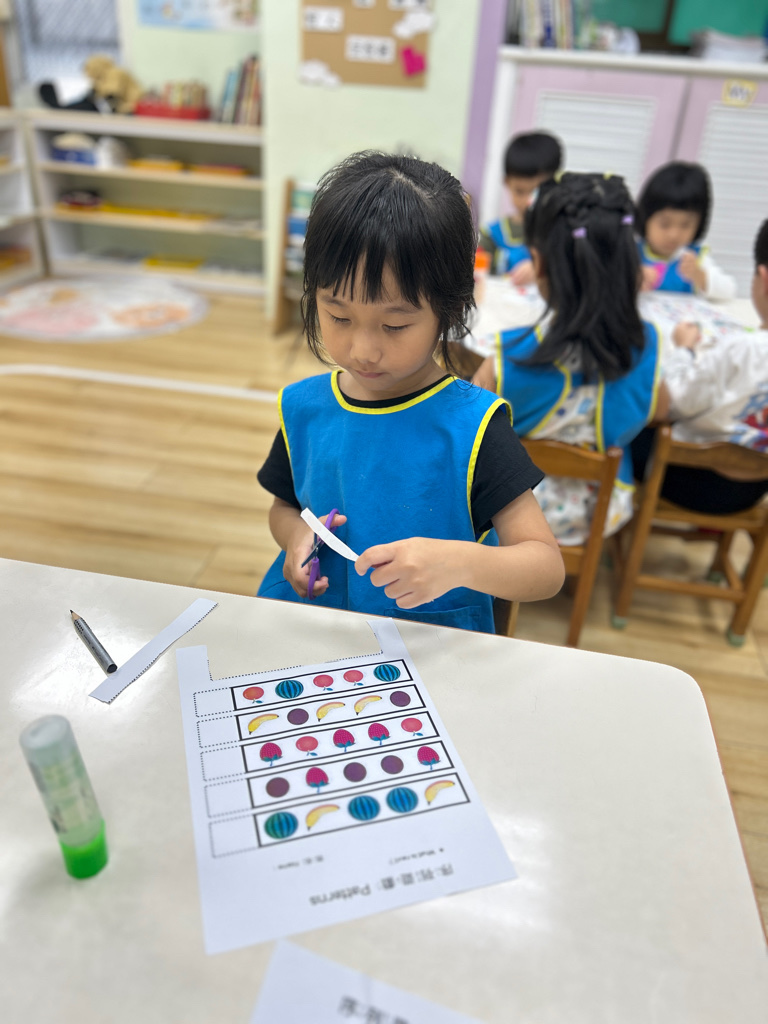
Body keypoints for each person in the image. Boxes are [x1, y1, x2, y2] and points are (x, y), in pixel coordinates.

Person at [257, 151, 564, 633]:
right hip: (318, 629)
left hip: (426, 648)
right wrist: (295, 537)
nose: (363, 350)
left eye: (395, 325)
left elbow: (545, 567)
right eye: (338, 316)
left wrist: (460, 564)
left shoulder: (474, 428)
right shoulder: (304, 408)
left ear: (449, 310)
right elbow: (284, 507)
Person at [473, 172, 664, 545]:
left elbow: (472, 434)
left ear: (539, 264)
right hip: (601, 511)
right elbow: (658, 408)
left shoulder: (505, 359)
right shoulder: (646, 348)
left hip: (513, 516)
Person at [631, 219, 768, 513]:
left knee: (629, 422)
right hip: (756, 489)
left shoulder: (743, 348)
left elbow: (672, 405)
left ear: (763, 279)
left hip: (695, 481)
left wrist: (684, 350)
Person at [635, 160, 736, 300]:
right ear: (645, 217)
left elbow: (729, 291)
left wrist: (700, 276)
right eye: (665, 224)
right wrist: (631, 278)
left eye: (685, 225)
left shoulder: (695, 258)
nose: (674, 235)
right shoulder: (631, 252)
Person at [478, 130, 563, 286]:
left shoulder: (564, 232)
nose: (528, 201)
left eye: (537, 192)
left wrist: (543, 269)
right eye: (519, 191)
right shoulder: (493, 235)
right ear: (507, 183)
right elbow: (477, 278)